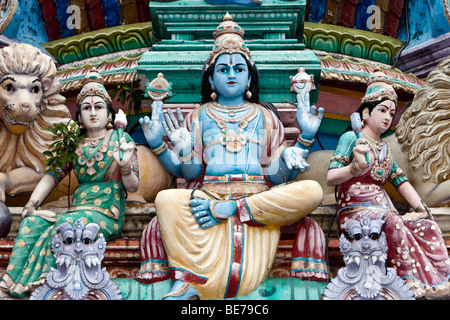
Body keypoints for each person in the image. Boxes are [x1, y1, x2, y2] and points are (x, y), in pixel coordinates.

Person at [137, 14, 326, 300]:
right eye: (223, 69)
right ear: (211, 78)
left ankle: (235, 211)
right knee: (166, 199)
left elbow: (275, 176)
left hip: (256, 197)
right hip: (209, 197)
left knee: (312, 190)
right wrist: (162, 145)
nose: (231, 74)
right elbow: (189, 173)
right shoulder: (199, 116)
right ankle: (189, 279)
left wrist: (302, 141)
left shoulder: (264, 115)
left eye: (239, 68)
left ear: (250, 76)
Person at [0, 70, 139, 298]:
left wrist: (124, 166)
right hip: (77, 209)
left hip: (106, 212)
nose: (93, 113)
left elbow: (132, 187)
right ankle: (10, 283)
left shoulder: (121, 140)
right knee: (31, 223)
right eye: (86, 108)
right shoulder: (73, 144)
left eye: (98, 107)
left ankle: (37, 283)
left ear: (109, 114)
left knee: (67, 224)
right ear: (79, 117)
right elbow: (52, 175)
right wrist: (32, 204)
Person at [326, 68, 450, 299]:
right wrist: (355, 168)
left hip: (383, 210)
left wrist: (421, 210)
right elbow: (331, 177)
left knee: (428, 227)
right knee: (394, 221)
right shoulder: (351, 138)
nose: (387, 117)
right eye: (382, 110)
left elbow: (401, 182)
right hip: (355, 211)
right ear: (364, 113)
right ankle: (407, 279)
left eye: (391, 113)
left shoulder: (385, 148)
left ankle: (439, 281)